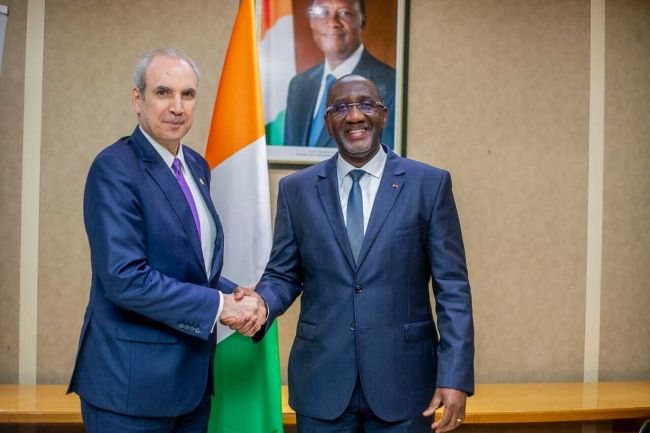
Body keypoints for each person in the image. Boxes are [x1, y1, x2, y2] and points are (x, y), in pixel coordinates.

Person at [251, 75, 474, 433]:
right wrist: (261, 304)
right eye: (341, 107)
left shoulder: (429, 185)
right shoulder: (296, 190)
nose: (354, 115)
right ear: (328, 122)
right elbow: (283, 274)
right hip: (321, 381)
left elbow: (453, 289)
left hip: (405, 384)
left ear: (383, 115)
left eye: (366, 104)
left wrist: (455, 375)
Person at [68, 48, 265, 433]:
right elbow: (126, 278)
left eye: (187, 94)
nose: (177, 107)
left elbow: (190, 264)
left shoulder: (196, 165)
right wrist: (219, 304)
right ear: (137, 99)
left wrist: (237, 295)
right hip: (130, 389)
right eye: (163, 93)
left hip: (190, 384)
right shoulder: (115, 168)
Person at [283, 0, 396, 148]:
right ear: (311, 21)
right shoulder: (299, 85)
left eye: (345, 13)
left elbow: (388, 158)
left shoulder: (392, 86)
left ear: (362, 22)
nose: (332, 22)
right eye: (323, 12)